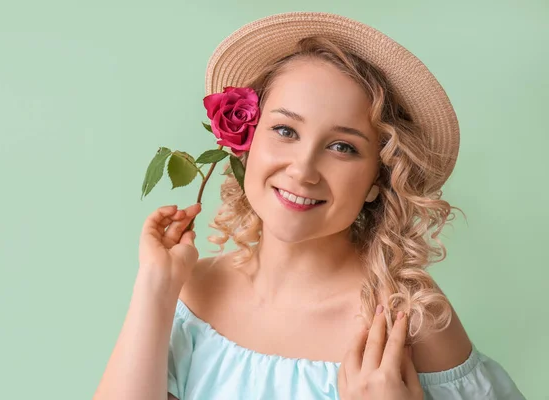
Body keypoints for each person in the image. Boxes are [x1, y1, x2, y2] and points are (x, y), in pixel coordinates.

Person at [94, 12, 526, 400]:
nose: (303, 170)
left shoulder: (408, 323)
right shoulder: (194, 293)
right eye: (285, 130)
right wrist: (156, 288)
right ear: (247, 142)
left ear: (379, 178)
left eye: (342, 146)